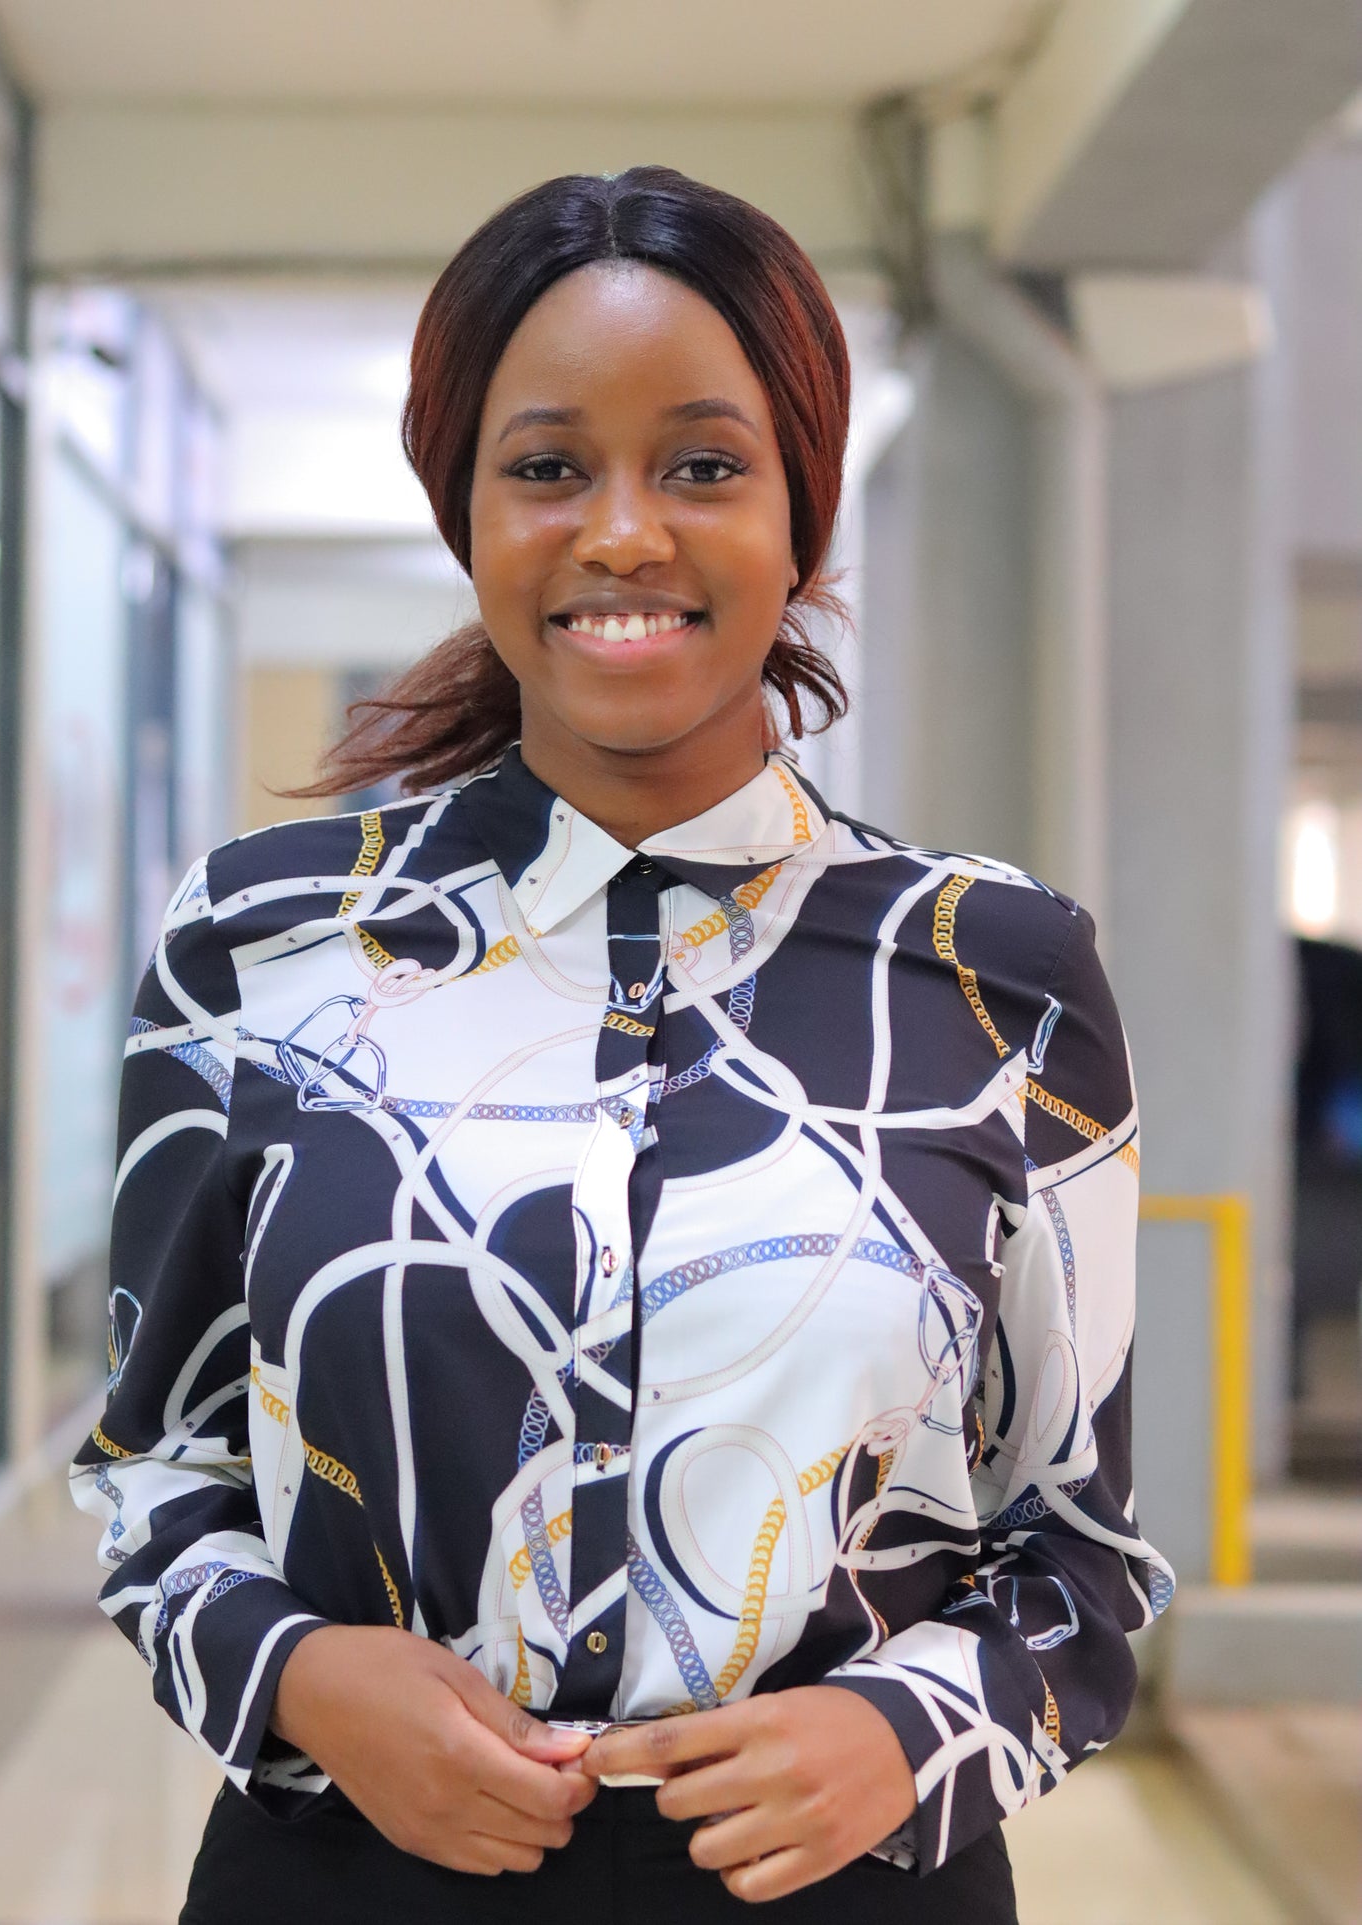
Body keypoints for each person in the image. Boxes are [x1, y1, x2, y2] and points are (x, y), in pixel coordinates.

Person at [72, 167, 1172, 1923]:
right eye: (547, 466)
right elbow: (154, 1464)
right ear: (466, 510)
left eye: (704, 466)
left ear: (800, 512)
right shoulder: (262, 946)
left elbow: (1082, 1555)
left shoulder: (992, 976)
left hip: (845, 1883)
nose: (622, 533)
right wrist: (297, 1676)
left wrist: (909, 1724)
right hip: (347, 1875)